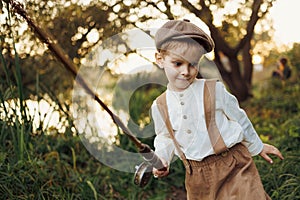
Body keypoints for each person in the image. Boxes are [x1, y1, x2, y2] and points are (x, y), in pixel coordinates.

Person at [151, 19, 284, 200]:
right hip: (196, 176)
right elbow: (165, 136)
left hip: (233, 165)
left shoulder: (214, 90)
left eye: (192, 64)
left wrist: (257, 146)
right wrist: (162, 158)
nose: (186, 71)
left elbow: (239, 117)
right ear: (160, 59)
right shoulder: (160, 105)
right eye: (177, 64)